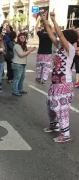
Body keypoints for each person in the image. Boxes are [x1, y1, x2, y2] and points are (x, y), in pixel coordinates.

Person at [42, 10, 77, 142]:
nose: (60, 38)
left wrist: (54, 19)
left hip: (64, 84)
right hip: (56, 83)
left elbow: (59, 34)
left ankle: (65, 134)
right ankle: (54, 124)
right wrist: (45, 20)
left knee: (62, 109)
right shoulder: (60, 47)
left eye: (63, 37)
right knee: (50, 104)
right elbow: (52, 35)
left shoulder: (70, 49)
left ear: (67, 38)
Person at [35, 16, 53, 85]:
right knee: (46, 67)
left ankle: (39, 78)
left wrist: (38, 20)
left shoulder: (41, 34)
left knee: (39, 66)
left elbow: (36, 28)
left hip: (40, 53)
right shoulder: (51, 35)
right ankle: (44, 80)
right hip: (48, 53)